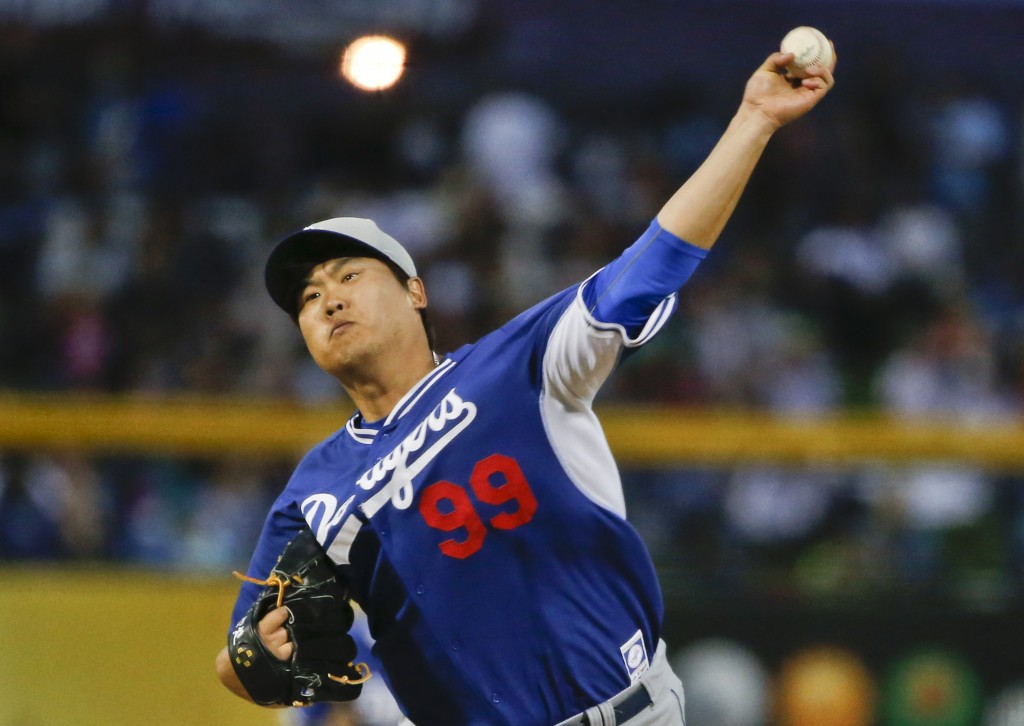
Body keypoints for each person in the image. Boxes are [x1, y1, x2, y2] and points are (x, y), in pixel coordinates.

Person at [216, 47, 836, 725]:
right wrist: (256, 661)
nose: (327, 301)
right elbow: (243, 656)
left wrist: (753, 119)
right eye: (307, 297)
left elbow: (650, 264)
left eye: (347, 275)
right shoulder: (316, 492)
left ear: (415, 291)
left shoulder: (519, 365)